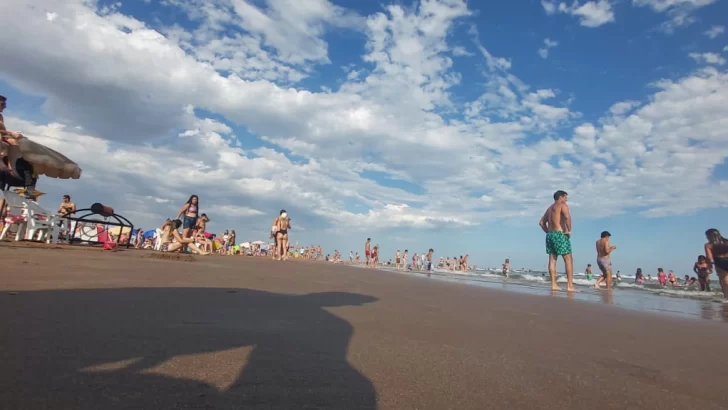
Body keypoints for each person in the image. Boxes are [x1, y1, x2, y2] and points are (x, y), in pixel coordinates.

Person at [539, 190, 575, 291]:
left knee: (552, 260)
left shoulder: (549, 208)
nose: (566, 199)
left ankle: (554, 285)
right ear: (561, 197)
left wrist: (548, 232)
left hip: (550, 235)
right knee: (568, 260)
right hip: (560, 234)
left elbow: (541, 222)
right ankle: (570, 286)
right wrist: (569, 231)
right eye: (565, 197)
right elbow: (567, 217)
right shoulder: (562, 205)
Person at [704, 229, 728, 302]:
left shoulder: (708, 245)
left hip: (720, 262)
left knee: (724, 280)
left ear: (710, 236)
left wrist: (709, 265)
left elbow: (709, 257)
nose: (706, 238)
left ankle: (727, 297)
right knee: (723, 280)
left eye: (707, 236)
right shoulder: (727, 242)